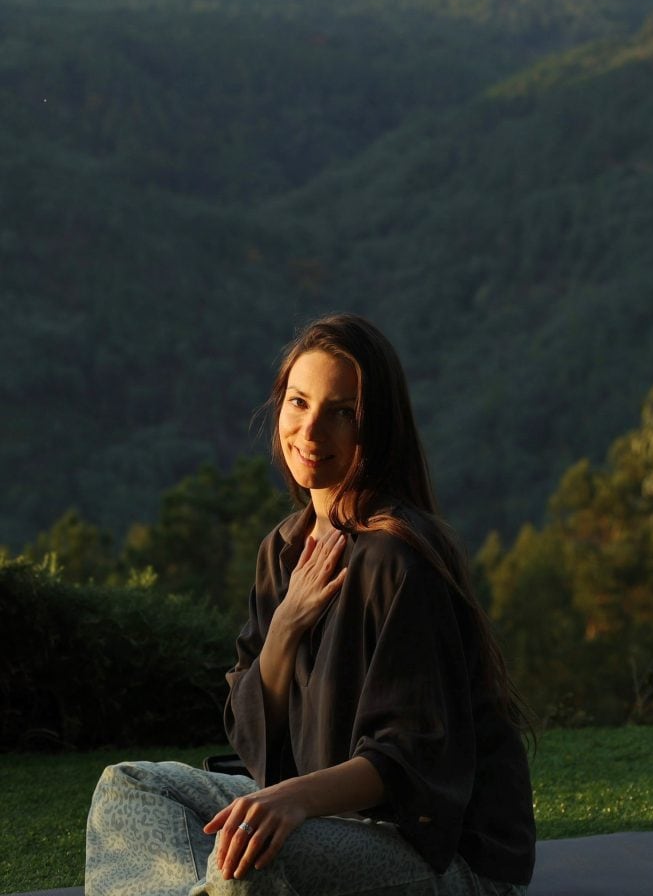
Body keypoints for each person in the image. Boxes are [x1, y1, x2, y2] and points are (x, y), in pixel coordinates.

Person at [86, 313, 535, 896]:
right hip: (326, 822)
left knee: (243, 862)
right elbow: (252, 740)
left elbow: (413, 759)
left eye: (342, 413)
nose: (311, 431)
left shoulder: (399, 559)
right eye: (298, 402)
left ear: (376, 429)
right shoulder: (283, 549)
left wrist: (290, 801)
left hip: (446, 857)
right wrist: (285, 629)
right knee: (130, 789)